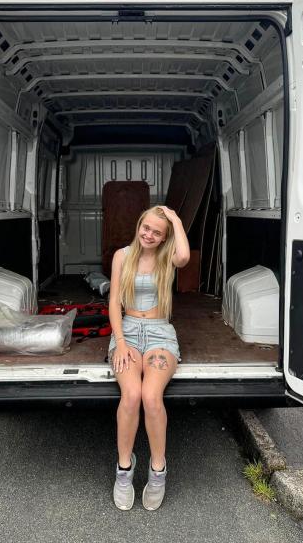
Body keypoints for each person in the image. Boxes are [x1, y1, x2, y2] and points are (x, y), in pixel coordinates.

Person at [108, 205, 190, 511]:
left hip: (159, 334)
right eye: (146, 228)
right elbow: (114, 302)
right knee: (130, 395)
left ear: (164, 235)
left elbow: (184, 256)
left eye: (157, 231)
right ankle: (124, 470)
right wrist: (119, 342)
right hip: (127, 331)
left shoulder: (167, 256)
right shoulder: (122, 255)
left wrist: (176, 220)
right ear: (139, 225)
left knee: (151, 397)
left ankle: (158, 471)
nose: (150, 235)